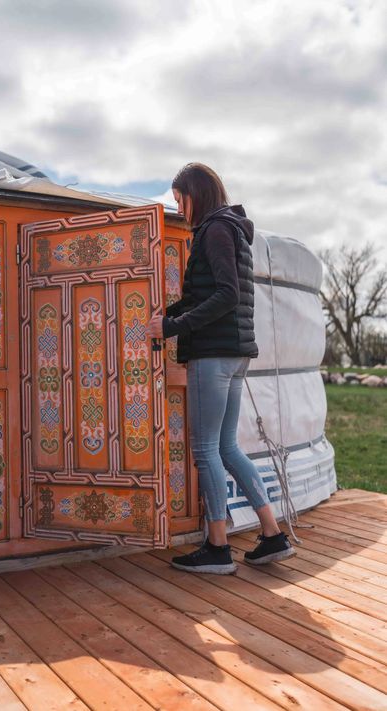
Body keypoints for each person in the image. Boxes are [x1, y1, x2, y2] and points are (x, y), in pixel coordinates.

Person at [146, 162, 295, 574]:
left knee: (206, 449)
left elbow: (226, 295)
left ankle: (216, 546)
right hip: (235, 353)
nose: (179, 208)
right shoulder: (229, 229)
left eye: (180, 200)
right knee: (227, 447)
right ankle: (271, 534)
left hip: (213, 355)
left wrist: (173, 326)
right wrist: (167, 314)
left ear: (197, 194)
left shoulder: (214, 230)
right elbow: (208, 294)